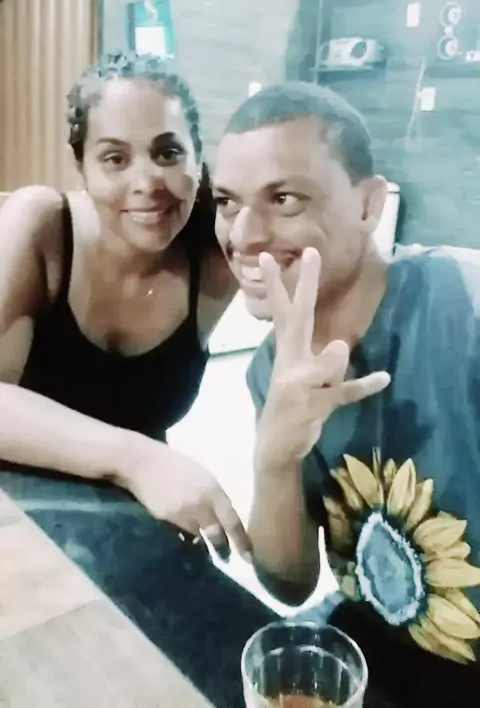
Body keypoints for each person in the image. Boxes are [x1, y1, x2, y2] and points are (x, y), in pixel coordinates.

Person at [213, 81, 480, 705]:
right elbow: (289, 584)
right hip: (373, 654)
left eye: (283, 198)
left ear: (368, 205)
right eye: (227, 202)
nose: (243, 235)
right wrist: (275, 459)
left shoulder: (462, 307)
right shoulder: (273, 368)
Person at [0, 52, 249, 558]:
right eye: (115, 158)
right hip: (15, 511)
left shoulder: (216, 258)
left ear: (197, 157)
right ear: (80, 166)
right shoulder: (43, 224)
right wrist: (139, 460)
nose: (147, 183)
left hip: (128, 518)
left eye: (167, 153)